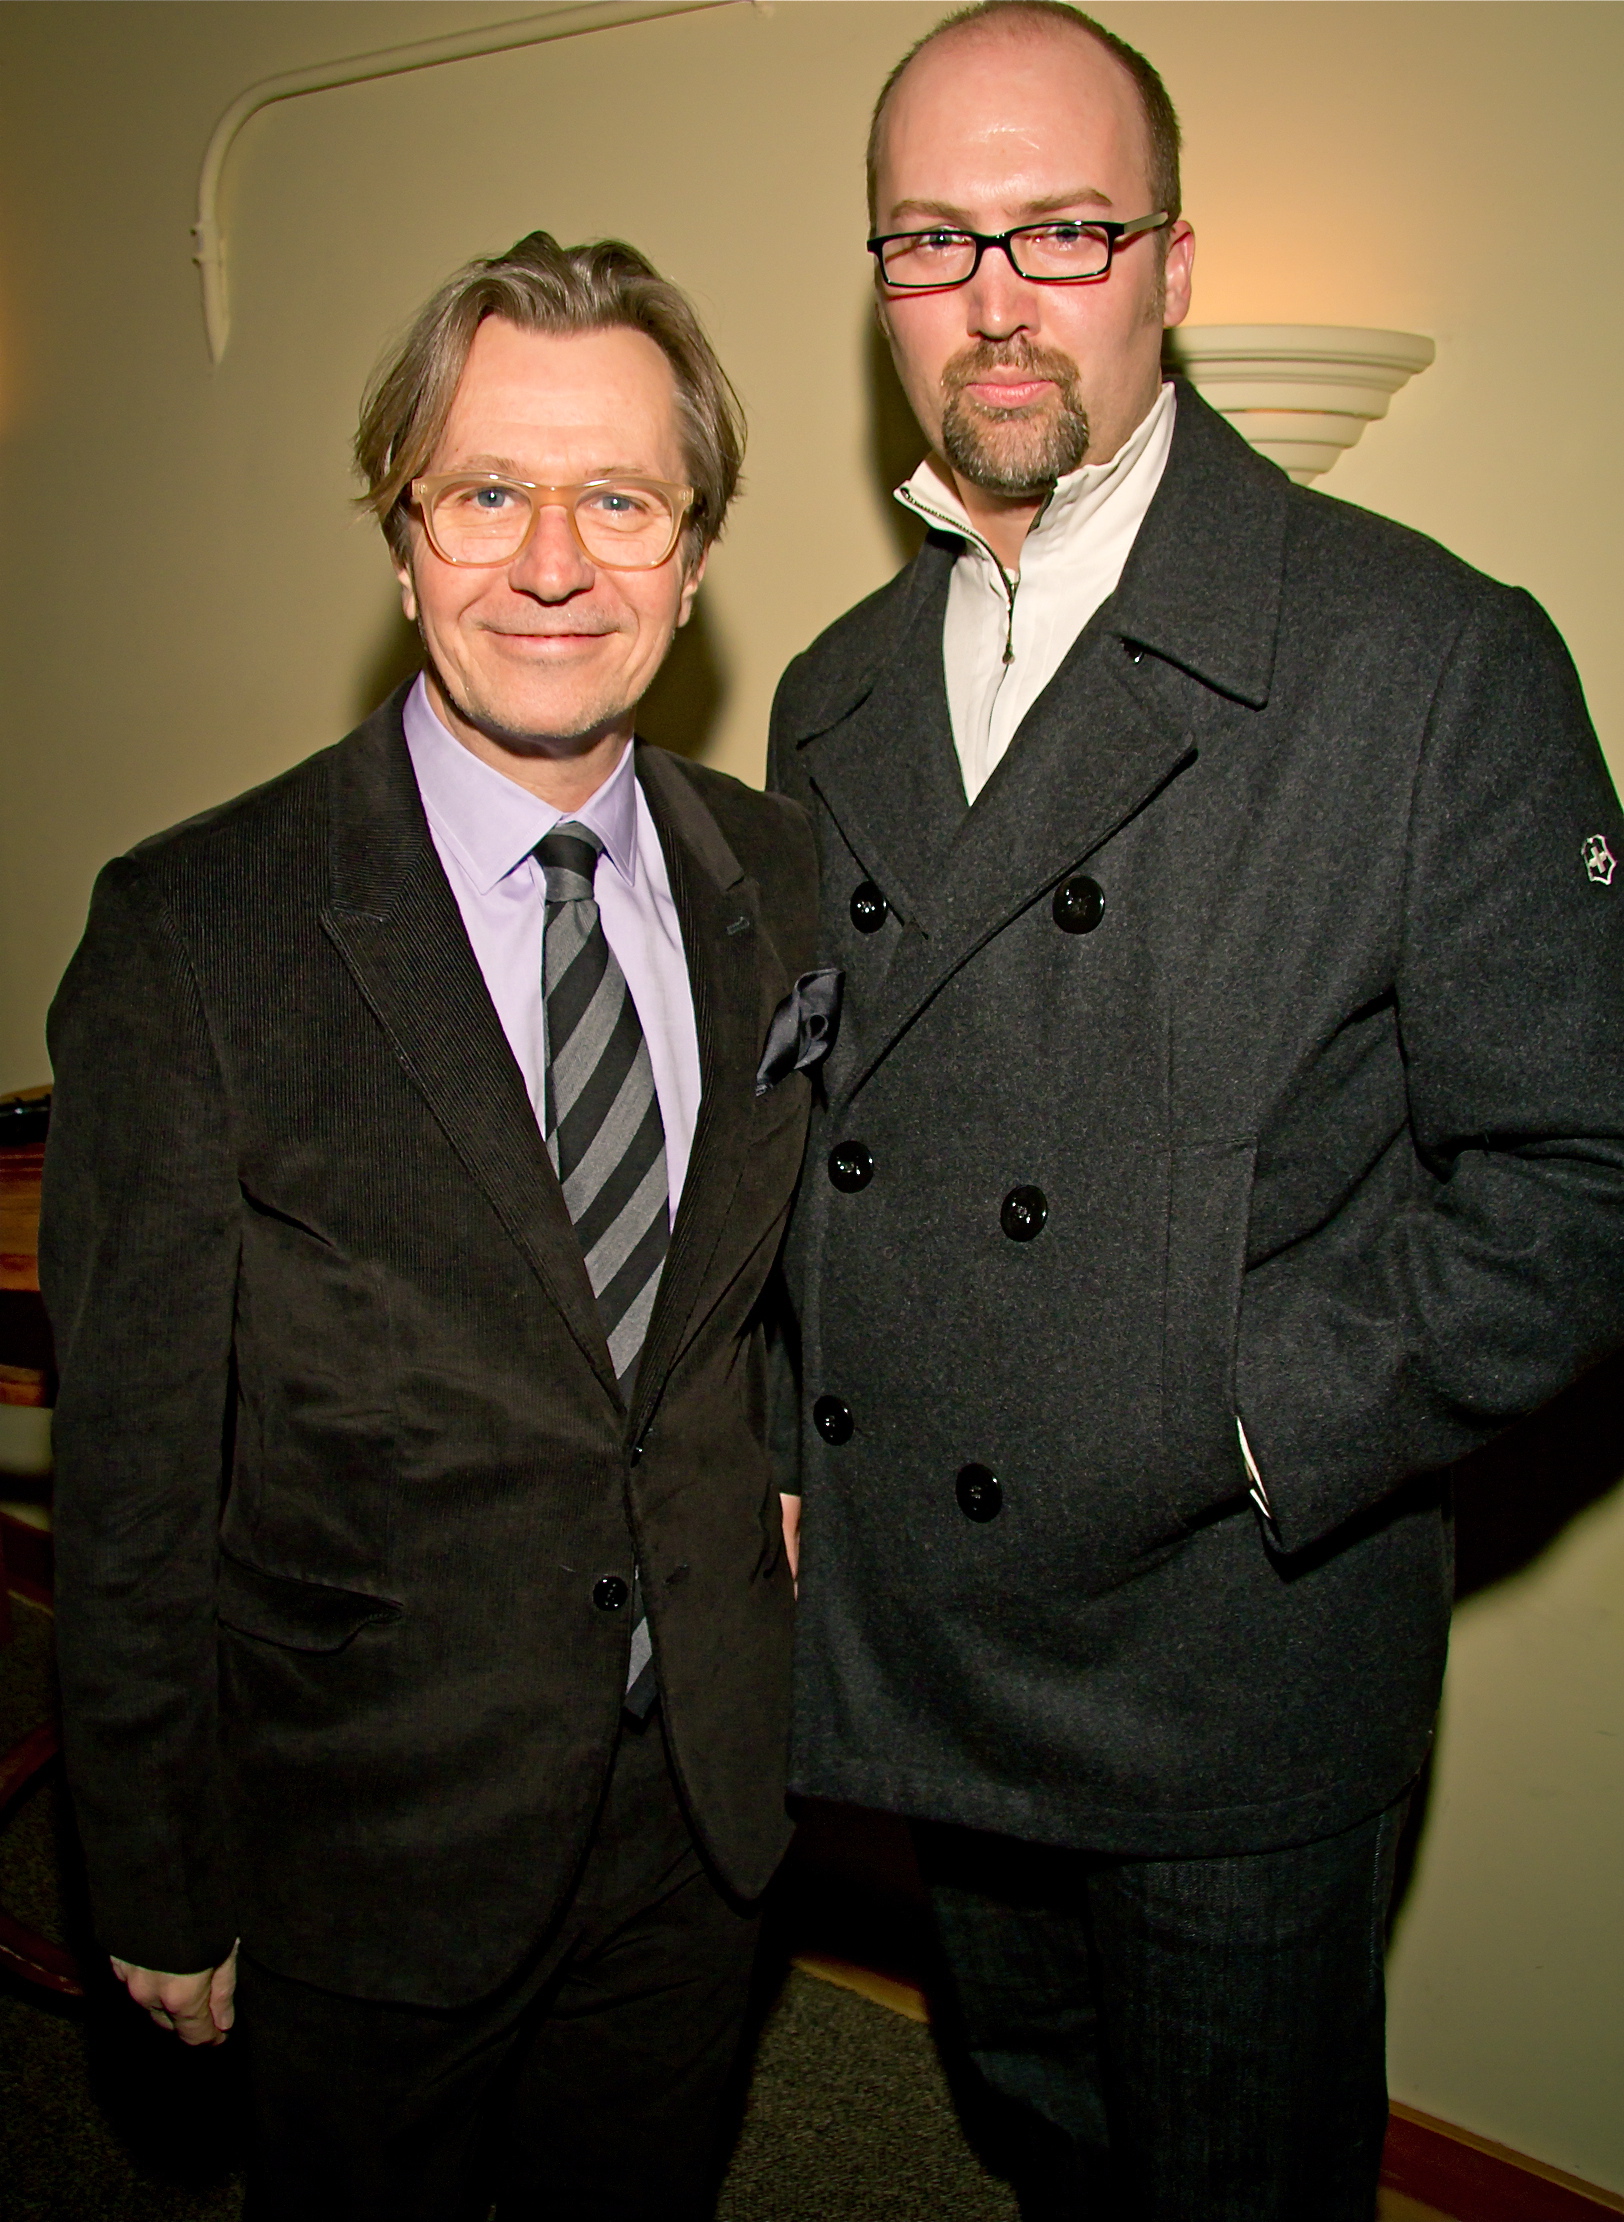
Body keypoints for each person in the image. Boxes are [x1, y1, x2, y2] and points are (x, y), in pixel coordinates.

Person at [767, 7, 1624, 2216]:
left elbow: (1585, 1172)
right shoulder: (832, 683)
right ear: (876, 280)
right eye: (929, 236)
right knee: (1034, 2133)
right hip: (938, 1629)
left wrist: (1231, 1416)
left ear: (1168, 262)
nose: (992, 293)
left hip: (1225, 1650)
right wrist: (788, 1450)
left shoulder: (1424, 657)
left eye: (1060, 227)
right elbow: (811, 1138)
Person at [42, 230, 822, 2222]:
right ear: (400, 542)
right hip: (363, 1836)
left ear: (694, 552)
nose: (550, 564)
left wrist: (796, 1472)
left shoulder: (787, 882)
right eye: (484, 490)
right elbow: (133, 1469)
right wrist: (150, 1866)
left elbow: (801, 1274)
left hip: (699, 1809)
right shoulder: (194, 933)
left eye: (618, 499)